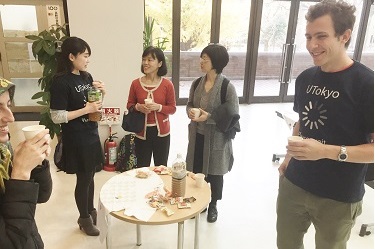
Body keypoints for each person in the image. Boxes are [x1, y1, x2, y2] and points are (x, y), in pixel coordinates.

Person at [277, 1, 374, 248]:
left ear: (345, 36)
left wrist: (325, 151)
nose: (311, 45)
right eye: (308, 36)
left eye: (321, 36)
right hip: (295, 184)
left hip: (338, 197)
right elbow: (303, 122)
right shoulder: (306, 78)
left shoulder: (366, 84)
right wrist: (289, 158)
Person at [50, 37, 105, 236]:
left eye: (88, 56)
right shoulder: (60, 82)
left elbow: (92, 105)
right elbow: (57, 116)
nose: (88, 60)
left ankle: (90, 211)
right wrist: (86, 110)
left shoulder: (86, 76)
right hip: (76, 138)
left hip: (90, 133)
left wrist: (101, 94)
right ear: (71, 56)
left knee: (90, 176)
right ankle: (84, 218)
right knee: (83, 179)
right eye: (85, 55)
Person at [186, 44, 239, 223]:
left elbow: (233, 116)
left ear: (215, 62)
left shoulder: (227, 87)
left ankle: (213, 205)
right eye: (201, 58)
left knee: (215, 174)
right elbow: (189, 104)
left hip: (216, 138)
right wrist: (191, 112)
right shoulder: (197, 83)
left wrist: (208, 117)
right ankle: (198, 203)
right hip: (197, 136)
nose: (201, 61)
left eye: (205, 59)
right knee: (197, 171)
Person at [0, 77, 52, 248]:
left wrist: (35, 163)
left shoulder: (3, 151)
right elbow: (11, 244)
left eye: (8, 105)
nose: (10, 117)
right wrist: (20, 174)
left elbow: (42, 195)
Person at [126, 46, 176, 167]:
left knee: (161, 167)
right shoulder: (135, 83)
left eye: (150, 60)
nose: (145, 63)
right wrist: (138, 107)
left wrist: (158, 107)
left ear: (160, 63)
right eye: (144, 59)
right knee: (142, 168)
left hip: (162, 133)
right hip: (141, 133)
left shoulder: (167, 84)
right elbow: (129, 105)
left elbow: (172, 108)